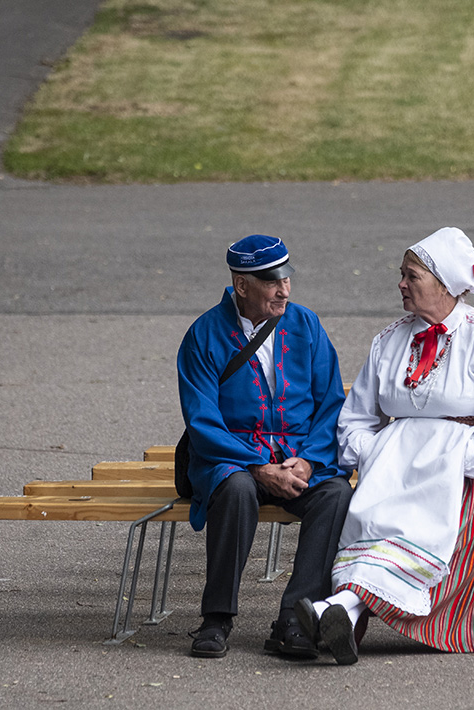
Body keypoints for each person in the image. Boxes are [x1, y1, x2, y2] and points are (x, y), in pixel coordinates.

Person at [294, 227, 474, 665]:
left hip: (468, 475)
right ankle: (338, 610)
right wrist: (379, 455)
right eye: (401, 274)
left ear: (443, 283)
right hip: (393, 471)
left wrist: (446, 465)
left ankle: (336, 607)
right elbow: (356, 420)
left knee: (414, 527)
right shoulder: (389, 340)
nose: (400, 283)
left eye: (411, 276)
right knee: (374, 520)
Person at [177, 234, 353, 659]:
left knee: (335, 494)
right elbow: (201, 421)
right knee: (236, 490)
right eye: (272, 281)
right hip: (230, 458)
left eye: (287, 278)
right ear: (241, 286)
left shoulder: (307, 325)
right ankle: (217, 618)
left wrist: (309, 463)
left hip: (296, 456)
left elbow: (331, 403)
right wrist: (258, 467)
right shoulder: (203, 335)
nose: (284, 289)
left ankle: (295, 618)